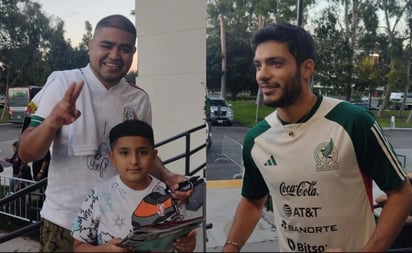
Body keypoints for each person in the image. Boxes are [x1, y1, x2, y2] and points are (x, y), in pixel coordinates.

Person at [223, 22, 412, 252]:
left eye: (275, 63)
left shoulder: (352, 121)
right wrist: (231, 247)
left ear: (307, 68)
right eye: (258, 65)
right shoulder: (256, 139)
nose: (262, 74)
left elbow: (401, 193)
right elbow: (252, 200)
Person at [18, 14, 193, 252]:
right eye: (106, 45)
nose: (114, 55)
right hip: (64, 223)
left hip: (121, 226)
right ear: (90, 45)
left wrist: (167, 175)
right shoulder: (62, 83)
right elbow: (26, 153)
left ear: (133, 52)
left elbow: (141, 154)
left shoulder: (138, 98)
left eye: (124, 49)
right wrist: (52, 122)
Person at [72, 119, 197, 252]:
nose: (134, 161)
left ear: (154, 156)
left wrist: (188, 245)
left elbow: (183, 238)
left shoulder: (170, 194)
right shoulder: (98, 195)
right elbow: (78, 247)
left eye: (142, 152)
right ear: (113, 157)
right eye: (124, 153)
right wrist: (103, 250)